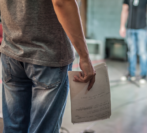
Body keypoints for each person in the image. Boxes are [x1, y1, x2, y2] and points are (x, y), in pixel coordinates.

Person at [0, 0, 96, 132]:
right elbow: (62, 2)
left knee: (13, 128)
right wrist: (84, 56)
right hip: (49, 55)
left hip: (12, 50)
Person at [119, 0, 147, 84]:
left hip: (142, 29)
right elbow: (124, 11)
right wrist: (122, 26)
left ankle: (143, 75)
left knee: (142, 53)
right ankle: (131, 74)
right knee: (131, 52)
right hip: (130, 28)